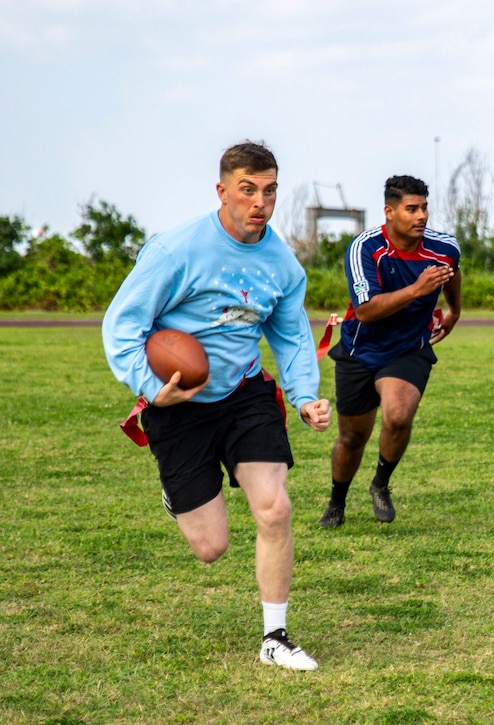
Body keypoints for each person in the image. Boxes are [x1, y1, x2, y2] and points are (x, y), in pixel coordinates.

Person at [102, 141, 330, 670]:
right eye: (247, 189)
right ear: (222, 190)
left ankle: (275, 636)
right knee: (210, 547)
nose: (260, 202)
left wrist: (304, 398)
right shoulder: (176, 250)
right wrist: (148, 384)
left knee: (274, 507)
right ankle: (179, 490)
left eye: (270, 191)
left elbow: (293, 337)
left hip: (245, 394)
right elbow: (123, 325)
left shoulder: (282, 266)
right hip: (178, 402)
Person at [318, 175, 461, 529]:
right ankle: (337, 501)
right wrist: (416, 290)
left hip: (409, 349)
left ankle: (381, 484)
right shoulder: (365, 248)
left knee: (398, 415)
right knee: (352, 437)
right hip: (359, 349)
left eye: (424, 207)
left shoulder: (444, 248)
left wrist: (454, 310)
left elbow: (452, 272)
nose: (421, 216)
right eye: (411, 209)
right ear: (390, 212)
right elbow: (365, 309)